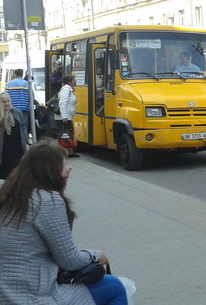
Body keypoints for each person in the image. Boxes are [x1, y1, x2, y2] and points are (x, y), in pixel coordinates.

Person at [0, 139, 128, 304]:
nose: (69, 169)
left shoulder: (10, 196)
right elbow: (69, 260)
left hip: (6, 293)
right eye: (64, 165)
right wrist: (96, 256)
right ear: (50, 171)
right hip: (34, 296)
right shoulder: (46, 201)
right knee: (115, 287)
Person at [0, 92, 28, 179]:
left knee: (17, 174)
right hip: (4, 150)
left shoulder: (17, 112)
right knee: (5, 174)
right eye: (4, 102)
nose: (7, 104)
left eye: (8, 101)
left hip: (17, 148)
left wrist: (25, 140)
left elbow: (23, 127)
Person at [56, 74, 78, 158]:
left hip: (69, 116)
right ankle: (64, 153)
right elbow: (62, 103)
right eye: (73, 80)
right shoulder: (66, 90)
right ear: (69, 82)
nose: (75, 82)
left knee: (69, 133)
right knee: (65, 134)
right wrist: (64, 116)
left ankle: (70, 152)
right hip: (66, 117)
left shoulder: (70, 90)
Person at [5, 69, 30, 133]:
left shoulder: (10, 83)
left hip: (13, 107)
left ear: (15, 74)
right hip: (25, 107)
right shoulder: (27, 83)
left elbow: (6, 95)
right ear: (22, 74)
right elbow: (31, 96)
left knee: (14, 124)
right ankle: (25, 140)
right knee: (24, 124)